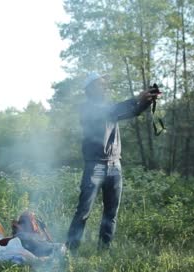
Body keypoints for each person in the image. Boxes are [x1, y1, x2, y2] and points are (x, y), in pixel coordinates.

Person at [66, 72, 159, 253]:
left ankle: (103, 251)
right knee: (83, 211)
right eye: (101, 84)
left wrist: (146, 100)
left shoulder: (108, 108)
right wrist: (135, 98)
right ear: (91, 88)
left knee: (111, 213)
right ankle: (70, 251)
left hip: (114, 165)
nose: (105, 86)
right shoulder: (88, 109)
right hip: (97, 167)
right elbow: (111, 111)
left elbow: (132, 111)